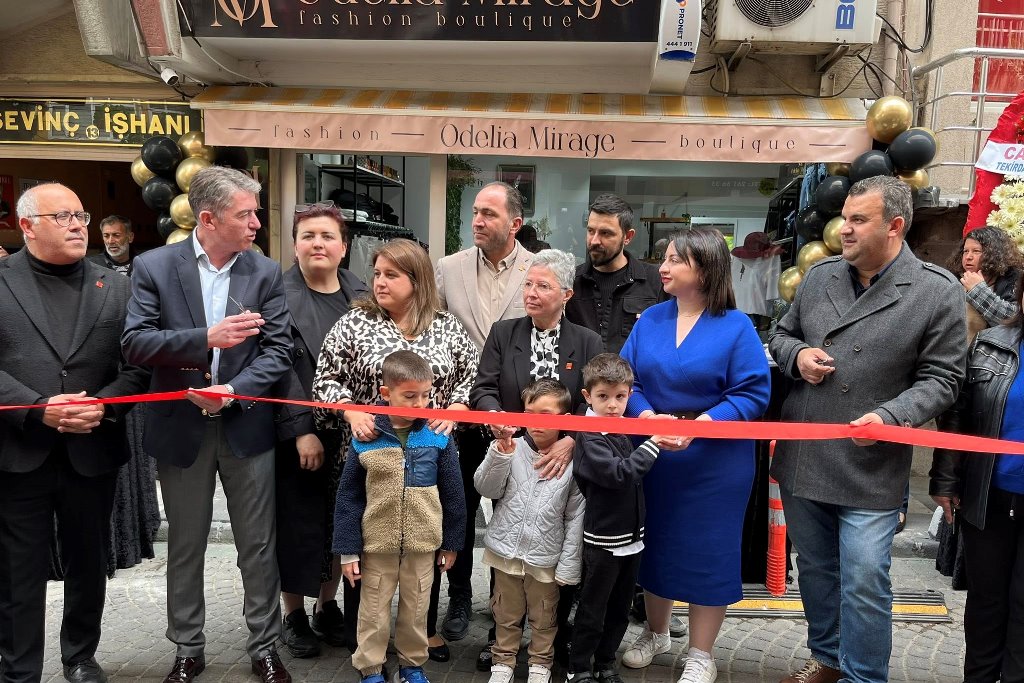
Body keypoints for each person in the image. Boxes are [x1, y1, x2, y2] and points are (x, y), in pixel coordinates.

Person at [769, 175, 966, 683]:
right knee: (815, 570)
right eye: (845, 218)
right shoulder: (820, 276)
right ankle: (828, 657)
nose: (845, 230)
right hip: (805, 455)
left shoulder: (935, 291)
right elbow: (782, 334)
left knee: (863, 578)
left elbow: (944, 379)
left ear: (895, 226)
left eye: (859, 220)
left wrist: (890, 417)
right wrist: (798, 356)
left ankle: (863, 676)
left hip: (872, 463)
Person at [121, 166, 295, 683]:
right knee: (186, 545)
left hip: (245, 425)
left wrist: (233, 391)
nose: (257, 224)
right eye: (246, 214)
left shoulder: (264, 272)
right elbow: (135, 343)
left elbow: (279, 351)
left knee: (257, 547)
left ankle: (265, 646)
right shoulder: (154, 266)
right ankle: (187, 649)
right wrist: (205, 339)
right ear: (208, 218)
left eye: (256, 213)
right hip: (181, 428)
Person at [0, 183, 149, 683]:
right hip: (19, 450)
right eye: (62, 216)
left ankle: (80, 656)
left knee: (89, 561)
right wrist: (36, 408)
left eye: (80, 216)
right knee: (18, 569)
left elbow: (138, 366)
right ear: (27, 225)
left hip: (92, 448)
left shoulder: (117, 287)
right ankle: (18, 669)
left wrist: (103, 406)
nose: (77, 225)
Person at [313, 237, 480, 660]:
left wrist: (457, 408)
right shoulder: (355, 322)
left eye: (391, 275)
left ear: (417, 280)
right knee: (368, 540)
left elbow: (471, 377)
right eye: (376, 274)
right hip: (371, 452)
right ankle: (364, 636)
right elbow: (325, 379)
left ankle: (423, 632)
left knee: (424, 539)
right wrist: (351, 411)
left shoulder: (445, 325)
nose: (380, 283)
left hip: (429, 451)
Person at [619, 227, 771, 683]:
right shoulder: (651, 319)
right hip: (655, 453)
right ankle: (656, 632)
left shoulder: (737, 326)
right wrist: (647, 416)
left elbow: (752, 393)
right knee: (655, 543)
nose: (662, 268)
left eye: (674, 260)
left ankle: (702, 653)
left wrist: (702, 424)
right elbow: (626, 380)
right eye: (664, 258)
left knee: (709, 551)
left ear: (704, 269)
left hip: (715, 461)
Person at [434, 182, 540, 661]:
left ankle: (503, 608)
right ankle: (458, 596)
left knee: (510, 516)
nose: (477, 220)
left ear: (515, 224)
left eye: (489, 214)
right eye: (475, 212)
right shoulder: (449, 268)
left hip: (513, 422)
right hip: (458, 416)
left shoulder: (537, 269)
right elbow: (434, 330)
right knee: (456, 509)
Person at [333, 350, 467, 683]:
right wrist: (348, 551)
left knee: (417, 608)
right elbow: (349, 497)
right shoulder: (366, 436)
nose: (420, 403)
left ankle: (412, 665)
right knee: (373, 610)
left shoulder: (438, 435)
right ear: (386, 393)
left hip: (423, 544)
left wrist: (451, 543)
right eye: (410, 396)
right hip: (377, 544)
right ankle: (371, 667)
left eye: (426, 395)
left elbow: (454, 494)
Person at [275, 201, 369, 658]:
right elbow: (277, 367)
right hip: (300, 432)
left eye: (328, 236)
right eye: (308, 235)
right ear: (295, 245)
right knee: (297, 523)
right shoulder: (276, 294)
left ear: (343, 246)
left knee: (340, 521)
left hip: (351, 432)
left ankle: (326, 605)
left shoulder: (362, 292)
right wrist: (301, 430)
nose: (318, 244)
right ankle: (293, 613)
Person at [930, 273, 1024, 683]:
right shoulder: (990, 344)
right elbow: (958, 415)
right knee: (987, 601)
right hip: (991, 493)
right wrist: (945, 479)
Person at [474, 378, 586, 683]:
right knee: (505, 612)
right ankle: (503, 662)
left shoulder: (572, 461)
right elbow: (486, 488)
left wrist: (569, 564)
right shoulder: (512, 448)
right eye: (529, 413)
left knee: (545, 615)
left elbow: (575, 516)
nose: (535, 422)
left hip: (545, 556)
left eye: (545, 415)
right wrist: (500, 453)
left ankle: (540, 663)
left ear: (564, 419)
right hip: (506, 553)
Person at [568, 354, 660, 683]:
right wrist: (655, 444)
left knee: (620, 609)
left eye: (620, 397)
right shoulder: (590, 435)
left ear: (629, 395)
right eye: (603, 396)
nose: (612, 405)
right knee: (593, 608)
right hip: (603, 540)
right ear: (587, 396)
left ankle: (606, 662)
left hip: (632, 538)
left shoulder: (620, 428)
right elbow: (619, 474)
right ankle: (579, 667)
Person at [565, 193, 667, 355]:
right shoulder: (571, 281)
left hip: (634, 372)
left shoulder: (656, 281)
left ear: (628, 237)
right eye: (591, 231)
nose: (594, 241)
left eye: (605, 233)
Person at [946, 225, 1023, 343]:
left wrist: (978, 291)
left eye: (976, 251)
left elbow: (1015, 320)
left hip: (990, 353)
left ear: (994, 254)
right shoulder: (953, 280)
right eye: (965, 251)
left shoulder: (1013, 279)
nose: (968, 257)